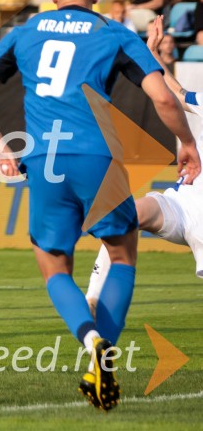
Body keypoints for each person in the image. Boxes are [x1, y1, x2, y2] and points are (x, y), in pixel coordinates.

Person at [0, 0, 200, 411]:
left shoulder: (26, 32)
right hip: (97, 158)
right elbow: (164, 98)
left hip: (44, 160)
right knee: (123, 254)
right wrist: (186, 143)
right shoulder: (113, 31)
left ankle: (89, 340)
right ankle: (104, 345)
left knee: (53, 264)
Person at [86, 16, 203, 309]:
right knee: (126, 214)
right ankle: (93, 300)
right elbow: (177, 93)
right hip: (179, 203)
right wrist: (151, 53)